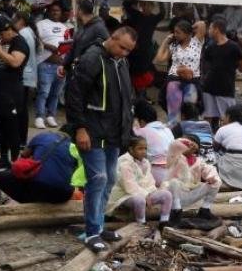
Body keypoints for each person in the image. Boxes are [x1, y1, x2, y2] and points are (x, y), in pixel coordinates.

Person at [65, 27, 137, 253]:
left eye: (128, 50)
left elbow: (126, 97)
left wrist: (128, 127)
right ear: (112, 38)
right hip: (92, 131)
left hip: (114, 133)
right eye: (122, 47)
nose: (124, 53)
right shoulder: (92, 58)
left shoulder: (121, 62)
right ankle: (91, 231)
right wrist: (80, 128)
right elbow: (74, 95)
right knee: (98, 178)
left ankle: (99, 224)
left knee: (109, 179)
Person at [0, 15, 29, 171]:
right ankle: (3, 160)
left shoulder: (20, 43)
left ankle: (15, 162)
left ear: (9, 29)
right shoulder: (2, 42)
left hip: (11, 93)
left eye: (2, 34)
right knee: (1, 127)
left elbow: (16, 62)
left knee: (12, 129)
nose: (1, 38)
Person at [0, 131, 82, 204]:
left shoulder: (42, 136)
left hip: (37, 187)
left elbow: (23, 157)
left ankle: (27, 202)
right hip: (64, 194)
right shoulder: (75, 148)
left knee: (1, 176)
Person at [112, 137, 174, 227]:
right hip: (124, 195)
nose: (144, 151)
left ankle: (164, 224)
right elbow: (129, 186)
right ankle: (141, 224)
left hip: (143, 192)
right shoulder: (124, 163)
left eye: (145, 148)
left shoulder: (145, 162)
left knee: (167, 194)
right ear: (131, 149)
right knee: (140, 200)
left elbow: (149, 181)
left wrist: (152, 192)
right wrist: (145, 195)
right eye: (140, 148)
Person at [200, 16, 242, 130]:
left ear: (216, 29)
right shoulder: (210, 47)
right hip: (209, 88)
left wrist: (235, 69)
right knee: (208, 117)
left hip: (226, 89)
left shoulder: (233, 47)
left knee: (228, 119)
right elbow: (205, 65)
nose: (208, 31)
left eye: (210, 28)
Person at [163, 138, 220, 226]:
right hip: (175, 196)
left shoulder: (198, 161)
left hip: (191, 192)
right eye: (186, 144)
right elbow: (173, 153)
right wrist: (183, 151)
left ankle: (205, 209)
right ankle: (176, 211)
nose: (189, 147)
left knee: (216, 181)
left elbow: (210, 169)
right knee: (174, 182)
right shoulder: (173, 158)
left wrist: (211, 177)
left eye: (191, 145)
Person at [156, 19, 202, 128]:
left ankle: (189, 132)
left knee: (190, 109)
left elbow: (201, 24)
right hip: (174, 79)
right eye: (174, 32)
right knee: (173, 111)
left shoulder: (197, 42)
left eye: (178, 32)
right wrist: (165, 42)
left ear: (187, 33)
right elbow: (160, 58)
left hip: (191, 80)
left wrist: (190, 28)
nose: (175, 34)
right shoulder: (174, 45)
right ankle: (175, 131)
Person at [34, 3, 69, 128]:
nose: (55, 12)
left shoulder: (64, 27)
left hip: (60, 66)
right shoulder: (41, 24)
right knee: (43, 92)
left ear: (61, 12)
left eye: (57, 10)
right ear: (48, 12)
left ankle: (50, 116)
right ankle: (39, 116)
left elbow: (68, 42)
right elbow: (36, 39)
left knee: (56, 93)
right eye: (53, 10)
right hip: (45, 64)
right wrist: (48, 46)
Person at [123, 0, 163, 96]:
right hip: (134, 51)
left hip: (145, 52)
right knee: (131, 73)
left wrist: (160, 0)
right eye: (143, 4)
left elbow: (163, 13)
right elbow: (126, 4)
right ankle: (131, 95)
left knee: (142, 74)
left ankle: (141, 96)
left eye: (147, 5)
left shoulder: (154, 18)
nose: (145, 7)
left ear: (152, 7)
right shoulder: (137, 15)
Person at [64, 0, 109, 80]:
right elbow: (73, 48)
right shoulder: (82, 27)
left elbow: (106, 49)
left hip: (88, 75)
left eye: (76, 9)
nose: (74, 12)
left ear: (80, 11)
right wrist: (64, 66)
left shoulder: (99, 28)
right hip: (75, 73)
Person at [132, 99, 174, 185]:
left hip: (156, 174)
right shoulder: (167, 130)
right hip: (173, 172)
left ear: (142, 121)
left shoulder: (142, 131)